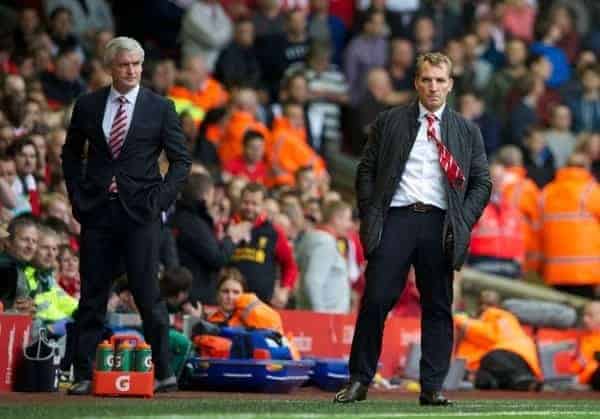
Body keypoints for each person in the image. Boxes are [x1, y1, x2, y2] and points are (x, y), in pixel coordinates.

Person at [335, 52, 491, 406]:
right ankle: (360, 380)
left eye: (440, 80)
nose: (433, 86)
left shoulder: (467, 131)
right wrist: (370, 212)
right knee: (375, 299)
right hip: (396, 218)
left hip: (441, 223)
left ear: (450, 85)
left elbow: (482, 182)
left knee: (438, 305)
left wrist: (462, 219)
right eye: (427, 79)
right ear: (416, 83)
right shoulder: (389, 121)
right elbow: (366, 170)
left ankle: (432, 387)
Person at [61, 37, 191, 395]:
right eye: (124, 64)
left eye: (136, 64)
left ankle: (164, 373)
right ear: (109, 67)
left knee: (148, 294)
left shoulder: (160, 107)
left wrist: (160, 200)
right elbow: (70, 155)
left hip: (142, 214)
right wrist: (77, 195)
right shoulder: (87, 105)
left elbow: (181, 161)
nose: (132, 70)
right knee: (92, 296)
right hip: (98, 211)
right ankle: (84, 373)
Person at [454, 290, 542, 391]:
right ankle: (522, 383)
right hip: (521, 362)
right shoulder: (490, 321)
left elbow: (488, 336)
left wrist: (463, 322)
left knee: (490, 358)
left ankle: (524, 381)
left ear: (498, 305)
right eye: (481, 304)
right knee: (484, 376)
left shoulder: (497, 314)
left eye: (489, 304)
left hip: (511, 356)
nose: (484, 307)